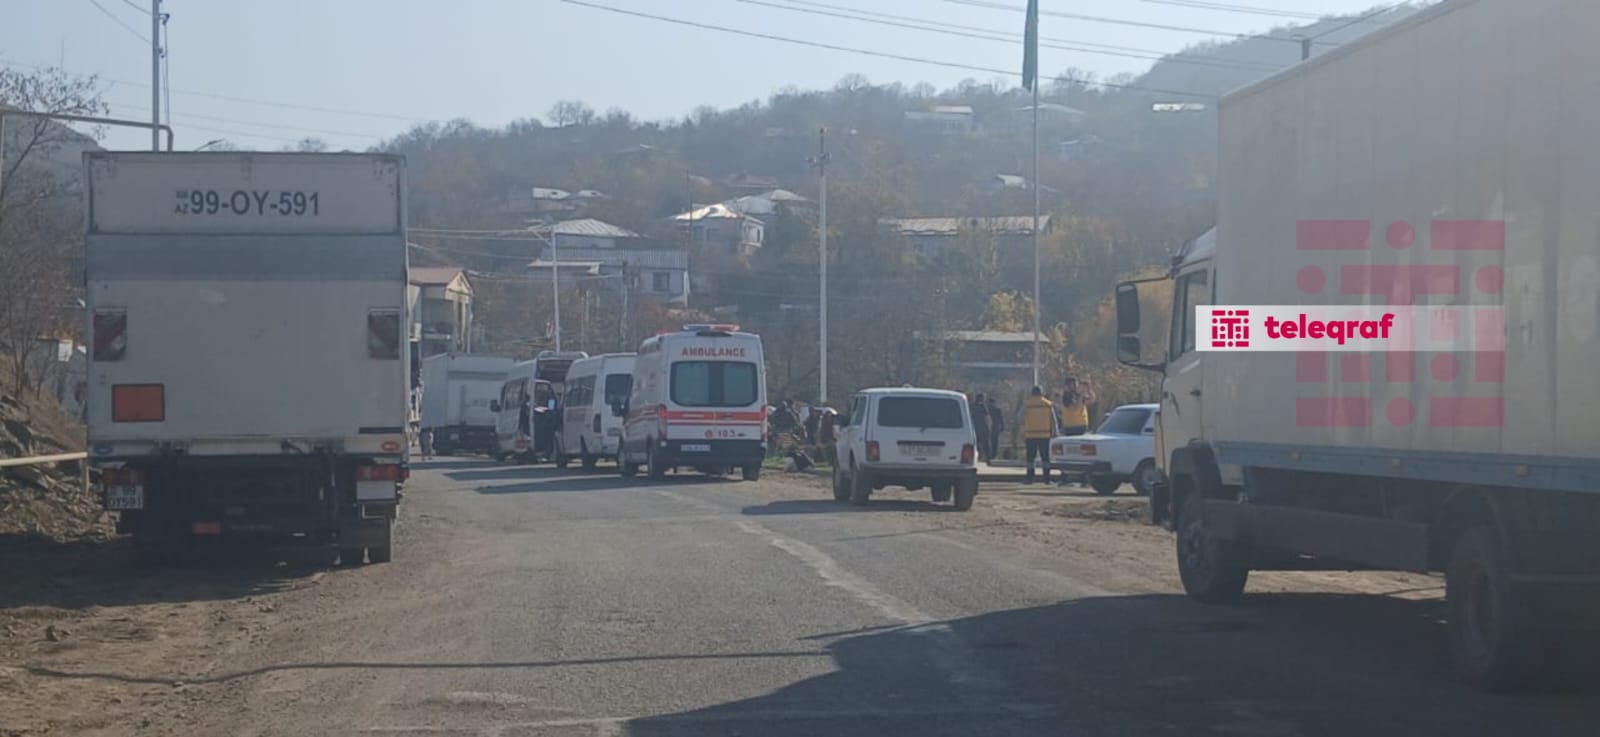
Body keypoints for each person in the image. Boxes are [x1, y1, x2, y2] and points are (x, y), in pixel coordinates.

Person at [1022, 386, 1057, 484]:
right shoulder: (1048, 404)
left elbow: (1020, 418)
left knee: (1030, 458)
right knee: (1045, 458)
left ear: (1032, 393)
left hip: (1030, 434)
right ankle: (1047, 478)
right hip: (1044, 434)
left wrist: (1021, 431)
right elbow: (1053, 420)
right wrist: (1055, 431)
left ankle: (1030, 478)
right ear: (1042, 393)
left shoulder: (1027, 404)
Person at [970, 392, 992, 463]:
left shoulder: (971, 406)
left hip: (973, 427)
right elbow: (987, 417)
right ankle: (988, 458)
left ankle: (977, 457)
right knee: (985, 443)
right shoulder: (982, 406)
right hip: (983, 427)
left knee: (976, 443)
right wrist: (989, 426)